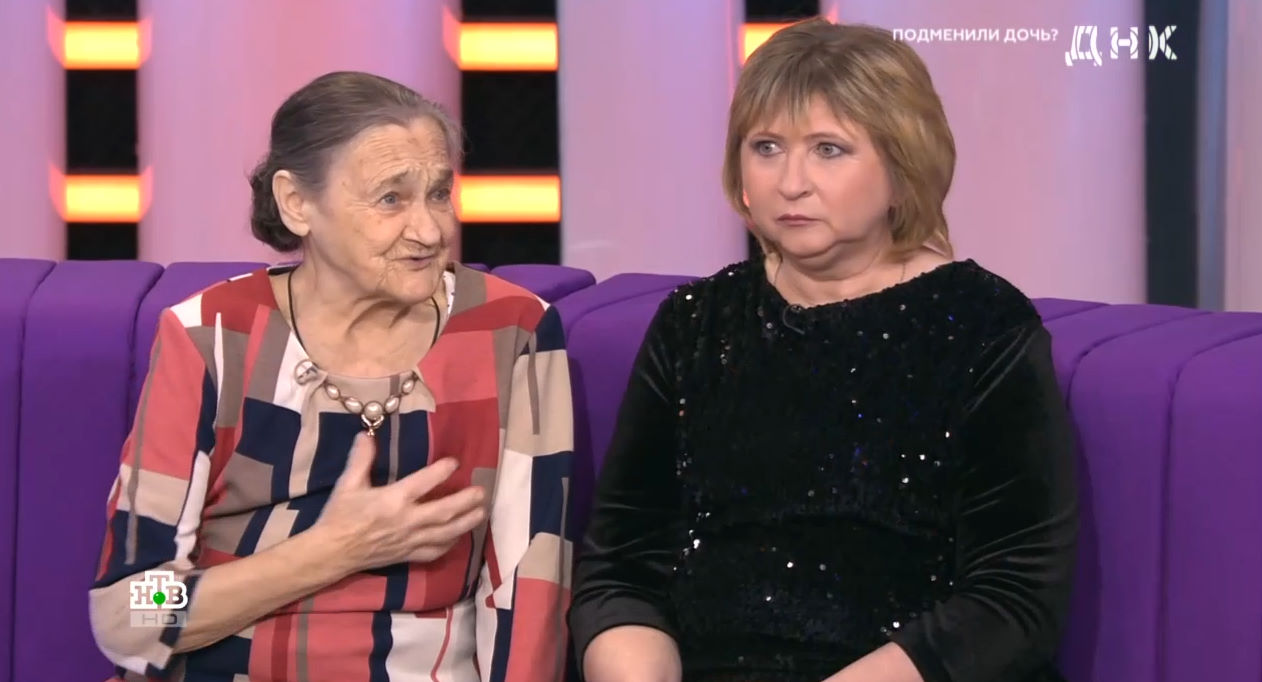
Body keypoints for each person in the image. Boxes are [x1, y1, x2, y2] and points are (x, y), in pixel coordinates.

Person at [568, 19, 1078, 682]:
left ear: (903, 166)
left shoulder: (982, 325)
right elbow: (621, 568)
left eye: (828, 150)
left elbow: (1013, 599)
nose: (790, 182)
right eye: (767, 147)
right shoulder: (696, 323)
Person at [88, 71, 574, 682]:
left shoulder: (512, 330)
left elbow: (525, 601)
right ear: (297, 203)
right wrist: (334, 549)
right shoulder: (210, 335)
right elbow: (128, 608)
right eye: (391, 199)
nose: (431, 231)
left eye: (438, 194)